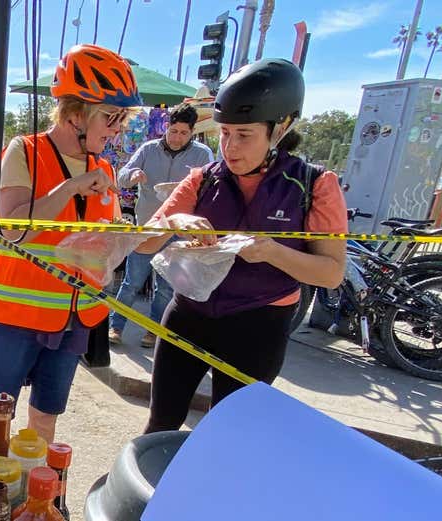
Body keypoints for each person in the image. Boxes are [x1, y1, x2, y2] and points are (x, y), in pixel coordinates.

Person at [0, 44, 143, 491]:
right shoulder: (25, 150)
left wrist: (139, 236)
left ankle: (23, 504)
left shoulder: (105, 168)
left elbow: (101, 238)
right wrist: (72, 185)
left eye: (122, 120)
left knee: (43, 426)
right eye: (110, 118)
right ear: (75, 113)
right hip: (12, 321)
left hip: (72, 322)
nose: (116, 131)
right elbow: (13, 226)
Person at [135, 59, 348, 433]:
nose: (230, 148)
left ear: (281, 128)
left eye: (244, 135)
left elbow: (331, 274)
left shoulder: (314, 185)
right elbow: (142, 244)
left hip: (259, 323)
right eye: (224, 133)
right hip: (190, 313)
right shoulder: (202, 179)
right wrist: (173, 221)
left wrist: (272, 252)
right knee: (162, 422)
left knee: (229, 433)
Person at [109, 103, 214, 347]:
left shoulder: (202, 155)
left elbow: (211, 189)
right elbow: (122, 178)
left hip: (180, 234)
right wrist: (133, 173)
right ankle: (115, 326)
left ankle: (153, 330)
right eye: (173, 131)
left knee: (166, 287)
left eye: (183, 133)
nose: (177, 138)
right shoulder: (148, 149)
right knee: (132, 282)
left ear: (192, 132)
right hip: (147, 228)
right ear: (166, 127)